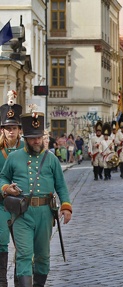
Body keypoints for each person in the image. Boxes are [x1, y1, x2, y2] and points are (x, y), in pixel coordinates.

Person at [0, 111, 72, 286]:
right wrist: (6, 188)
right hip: (22, 213)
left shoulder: (51, 159)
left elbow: (61, 185)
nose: (37, 141)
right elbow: (3, 177)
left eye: (39, 137)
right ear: (26, 137)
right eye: (32, 138)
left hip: (45, 213)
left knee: (43, 256)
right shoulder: (14, 157)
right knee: (24, 254)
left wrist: (66, 206)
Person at [0, 90, 24, 286]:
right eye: (7, 128)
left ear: (19, 130)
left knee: (23, 247)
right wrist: (6, 188)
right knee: (1, 243)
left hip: (22, 205)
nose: (11, 131)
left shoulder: (27, 149)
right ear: (2, 130)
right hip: (1, 204)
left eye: (14, 127)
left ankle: (19, 282)